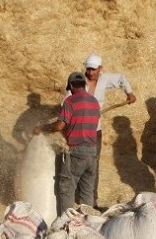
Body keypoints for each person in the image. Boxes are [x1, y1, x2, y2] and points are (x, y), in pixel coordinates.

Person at [34, 72, 101, 216]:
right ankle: (87, 224)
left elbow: (59, 126)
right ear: (85, 84)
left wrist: (43, 128)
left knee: (66, 189)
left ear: (71, 85)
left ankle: (66, 225)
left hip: (76, 152)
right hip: (92, 152)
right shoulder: (94, 102)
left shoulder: (70, 102)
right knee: (86, 192)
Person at [76, 54, 136, 208]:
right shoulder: (77, 81)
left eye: (93, 70)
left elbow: (122, 78)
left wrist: (129, 92)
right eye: (88, 69)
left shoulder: (105, 79)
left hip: (95, 130)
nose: (90, 72)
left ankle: (91, 203)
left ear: (100, 69)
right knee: (78, 162)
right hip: (77, 130)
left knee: (93, 164)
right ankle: (77, 198)